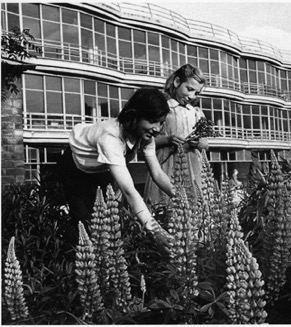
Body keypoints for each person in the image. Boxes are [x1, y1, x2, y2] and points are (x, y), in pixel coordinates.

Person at [57, 87, 175, 250]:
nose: (157, 128)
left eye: (161, 122)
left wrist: (182, 198)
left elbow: (157, 174)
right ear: (134, 116)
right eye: (152, 121)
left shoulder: (146, 135)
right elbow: (128, 190)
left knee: (109, 221)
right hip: (75, 168)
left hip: (101, 168)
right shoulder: (111, 138)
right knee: (87, 225)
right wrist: (156, 232)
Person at [143, 64, 208, 208]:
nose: (192, 96)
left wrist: (198, 142)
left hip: (193, 167)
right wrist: (167, 139)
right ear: (177, 82)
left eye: (196, 93)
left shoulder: (196, 112)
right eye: (189, 89)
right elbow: (146, 141)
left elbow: (206, 144)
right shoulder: (164, 108)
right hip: (166, 165)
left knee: (195, 204)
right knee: (165, 205)